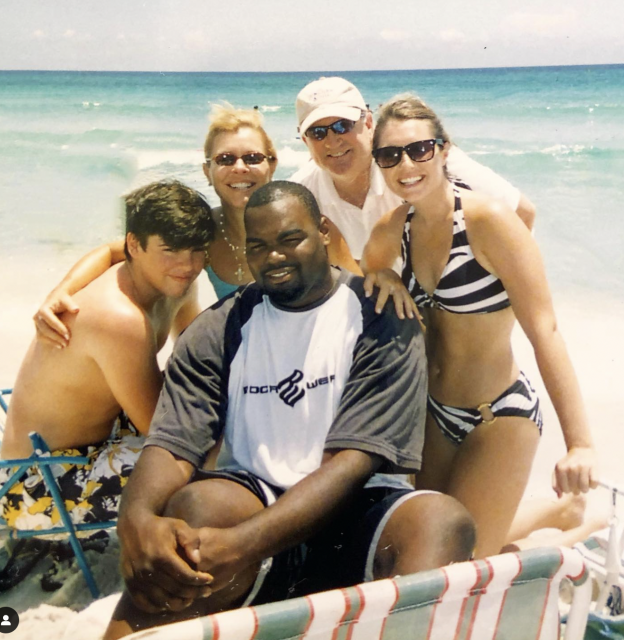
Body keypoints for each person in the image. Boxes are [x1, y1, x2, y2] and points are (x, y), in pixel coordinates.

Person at [103, 181, 476, 640]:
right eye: (257, 247)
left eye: (289, 239)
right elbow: (174, 443)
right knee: (195, 508)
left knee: (441, 521)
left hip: (355, 507)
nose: (273, 257)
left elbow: (351, 463)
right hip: (256, 497)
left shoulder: (380, 315)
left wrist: (241, 545)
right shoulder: (219, 328)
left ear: (322, 231)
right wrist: (135, 518)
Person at [360, 93, 598, 557]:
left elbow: (544, 328)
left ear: (445, 149)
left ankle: (572, 528)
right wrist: (387, 275)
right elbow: (366, 268)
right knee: (423, 547)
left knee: (462, 561)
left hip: (498, 414)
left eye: (419, 149)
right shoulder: (395, 228)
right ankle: (552, 512)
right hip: (433, 414)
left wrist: (580, 444)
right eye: (389, 155)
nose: (405, 164)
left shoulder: (489, 221)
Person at [0, 181, 214, 592]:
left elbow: (197, 349)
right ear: (135, 244)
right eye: (171, 250)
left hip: (87, 447)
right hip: (37, 489)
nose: (188, 264)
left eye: (198, 250)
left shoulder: (170, 282)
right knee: (197, 460)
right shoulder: (119, 318)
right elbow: (161, 431)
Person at [32, 104, 277, 349]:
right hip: (244, 358)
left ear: (272, 165)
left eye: (253, 157)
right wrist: (60, 293)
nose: (240, 167)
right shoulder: (203, 233)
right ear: (207, 172)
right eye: (225, 159)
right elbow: (110, 252)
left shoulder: (293, 224)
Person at [291, 76, 537, 269]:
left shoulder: (423, 159)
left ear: (368, 123)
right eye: (318, 133)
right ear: (305, 141)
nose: (332, 141)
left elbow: (521, 212)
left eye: (342, 126)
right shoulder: (299, 196)